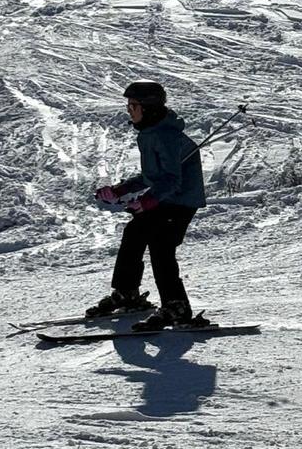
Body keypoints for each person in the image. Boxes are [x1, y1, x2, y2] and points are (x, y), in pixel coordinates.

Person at [89, 81, 211, 330]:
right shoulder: (149, 133)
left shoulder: (166, 136)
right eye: (128, 105)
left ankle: (176, 306)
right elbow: (152, 177)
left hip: (181, 200)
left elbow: (172, 180)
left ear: (149, 108)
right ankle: (127, 293)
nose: (129, 110)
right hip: (165, 197)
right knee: (134, 232)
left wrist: (146, 201)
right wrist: (119, 190)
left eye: (133, 106)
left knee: (161, 244)